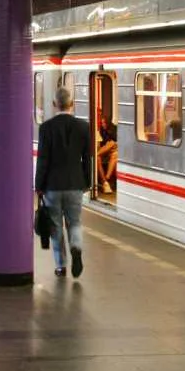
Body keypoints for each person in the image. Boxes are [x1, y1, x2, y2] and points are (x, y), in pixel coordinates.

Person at [35, 87, 92, 278]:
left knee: (56, 226)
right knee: (75, 222)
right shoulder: (83, 127)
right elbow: (87, 158)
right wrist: (87, 182)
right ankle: (76, 247)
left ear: (54, 105)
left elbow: (42, 160)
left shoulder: (46, 128)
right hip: (75, 183)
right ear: (72, 104)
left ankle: (61, 265)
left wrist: (39, 185)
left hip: (52, 186)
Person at [96, 121, 118, 194]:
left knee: (115, 154)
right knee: (111, 143)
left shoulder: (112, 131)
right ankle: (105, 182)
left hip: (107, 151)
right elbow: (99, 144)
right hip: (102, 151)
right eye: (101, 123)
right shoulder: (99, 131)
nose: (103, 125)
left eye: (104, 123)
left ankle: (107, 178)